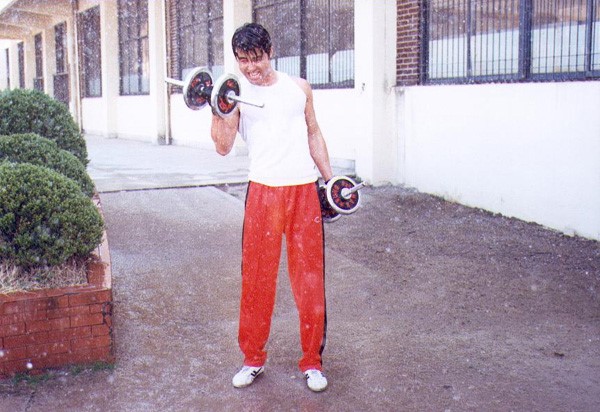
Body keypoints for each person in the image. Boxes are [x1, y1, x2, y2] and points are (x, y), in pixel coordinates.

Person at [211, 22, 334, 392]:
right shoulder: (234, 93)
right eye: (243, 60)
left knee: (309, 282)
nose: (251, 67)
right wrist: (218, 107)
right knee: (257, 281)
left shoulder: (299, 88)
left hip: (303, 191)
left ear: (270, 52)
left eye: (257, 58)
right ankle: (253, 359)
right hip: (263, 193)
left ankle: (312, 362)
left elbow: (314, 132)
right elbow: (222, 146)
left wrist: (331, 181)